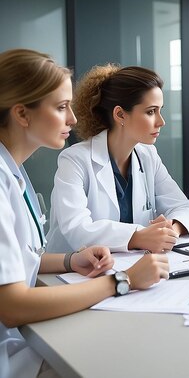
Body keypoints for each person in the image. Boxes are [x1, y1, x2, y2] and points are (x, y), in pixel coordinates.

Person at [0, 49, 169, 378]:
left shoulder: (12, 174)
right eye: (62, 107)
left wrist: (68, 261)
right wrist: (123, 280)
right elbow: (12, 305)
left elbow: (17, 257)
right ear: (22, 113)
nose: (74, 120)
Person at [45, 65, 189, 253]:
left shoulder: (148, 156)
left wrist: (170, 229)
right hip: (71, 272)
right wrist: (139, 236)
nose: (161, 121)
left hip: (129, 266)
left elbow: (185, 208)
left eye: (160, 110)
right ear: (120, 114)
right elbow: (77, 230)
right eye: (151, 112)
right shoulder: (75, 160)